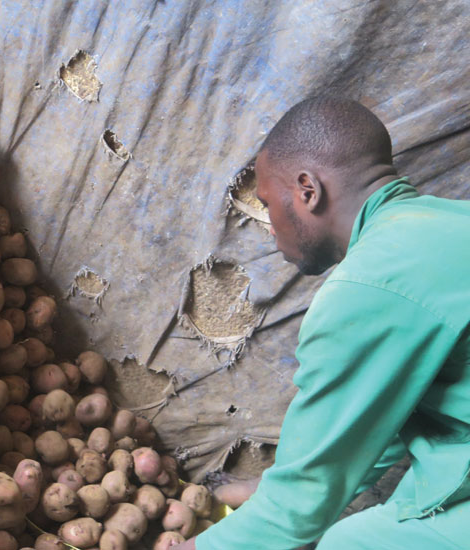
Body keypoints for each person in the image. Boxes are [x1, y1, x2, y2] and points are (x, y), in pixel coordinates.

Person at [173, 96, 470, 549]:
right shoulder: (445, 221)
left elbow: (306, 501)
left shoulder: (372, 285)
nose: (271, 230)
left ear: (307, 190)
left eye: (269, 204)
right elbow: (377, 415)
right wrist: (280, 488)